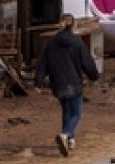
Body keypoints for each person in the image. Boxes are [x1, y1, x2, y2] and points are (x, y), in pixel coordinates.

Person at [34, 15, 100, 156]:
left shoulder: (51, 43)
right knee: (76, 113)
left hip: (58, 84)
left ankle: (69, 140)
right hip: (73, 82)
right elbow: (87, 62)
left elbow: (42, 63)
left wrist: (38, 81)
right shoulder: (77, 42)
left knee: (66, 111)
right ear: (73, 26)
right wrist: (94, 76)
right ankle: (66, 134)